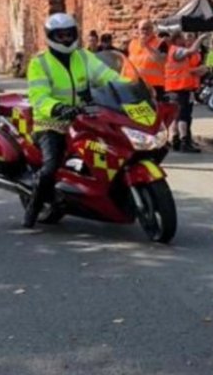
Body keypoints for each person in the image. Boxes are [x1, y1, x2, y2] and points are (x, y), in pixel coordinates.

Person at [24, 13, 121, 227]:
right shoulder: (39, 63)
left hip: (83, 117)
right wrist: (57, 107)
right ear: (51, 37)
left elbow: (107, 75)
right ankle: (33, 208)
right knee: (51, 167)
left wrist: (127, 86)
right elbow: (38, 96)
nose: (66, 39)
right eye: (60, 35)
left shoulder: (84, 56)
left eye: (69, 34)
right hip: (51, 122)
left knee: (113, 147)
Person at [164, 30, 205, 153]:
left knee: (177, 116)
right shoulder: (176, 50)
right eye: (182, 38)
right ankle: (183, 141)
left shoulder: (172, 51)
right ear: (177, 39)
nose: (184, 40)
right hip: (180, 88)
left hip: (175, 87)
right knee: (183, 116)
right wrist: (200, 39)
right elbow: (191, 51)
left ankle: (175, 139)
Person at [126, 19, 167, 98]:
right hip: (136, 85)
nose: (145, 31)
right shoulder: (132, 43)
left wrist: (147, 46)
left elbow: (161, 61)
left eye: (147, 28)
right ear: (138, 30)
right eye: (142, 28)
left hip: (154, 85)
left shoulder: (160, 43)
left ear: (152, 29)